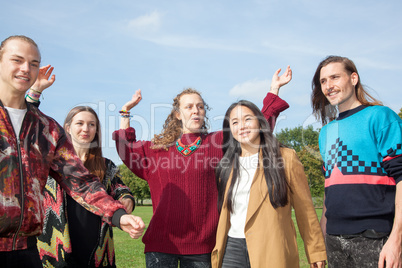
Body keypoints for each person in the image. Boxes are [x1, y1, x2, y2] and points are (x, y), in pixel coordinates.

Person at [112, 67, 292, 267]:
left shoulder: (217, 143)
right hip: (161, 245)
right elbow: (127, 148)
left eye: (200, 106)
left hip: (203, 248)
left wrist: (274, 90)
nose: (195, 110)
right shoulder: (157, 150)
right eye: (189, 107)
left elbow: (255, 128)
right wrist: (125, 112)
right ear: (178, 114)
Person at [0, 35, 145, 268]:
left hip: (26, 251)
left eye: (34, 63)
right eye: (17, 60)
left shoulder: (47, 130)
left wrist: (119, 215)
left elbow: (81, 182)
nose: (26, 68)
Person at [211, 100, 327, 267]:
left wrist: (315, 251)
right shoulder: (226, 166)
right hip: (232, 250)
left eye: (247, 119)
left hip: (271, 248)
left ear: (260, 122)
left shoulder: (285, 158)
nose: (242, 126)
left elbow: (305, 210)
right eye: (235, 122)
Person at [311, 55, 402, 268]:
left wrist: (396, 240)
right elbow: (330, 187)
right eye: (323, 81)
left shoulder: (380, 117)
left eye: (334, 77)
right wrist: (323, 236)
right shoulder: (325, 132)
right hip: (334, 239)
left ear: (353, 78)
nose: (328, 86)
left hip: (376, 237)